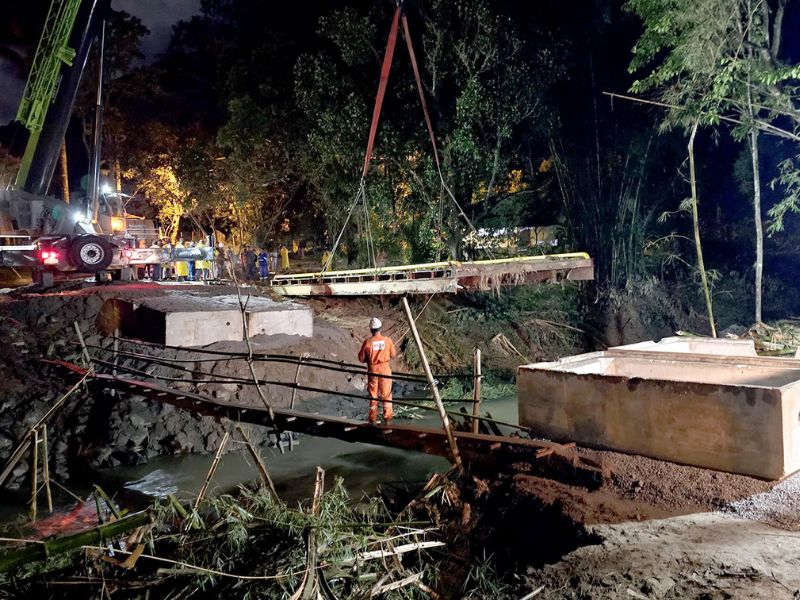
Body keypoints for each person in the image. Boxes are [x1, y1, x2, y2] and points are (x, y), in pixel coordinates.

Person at [357, 317, 397, 425]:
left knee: (373, 394)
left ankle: (372, 419)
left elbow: (361, 359)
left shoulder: (367, 342)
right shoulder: (387, 340)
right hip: (385, 369)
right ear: (380, 328)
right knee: (386, 394)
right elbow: (393, 355)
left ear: (371, 330)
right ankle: (388, 418)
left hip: (372, 370)